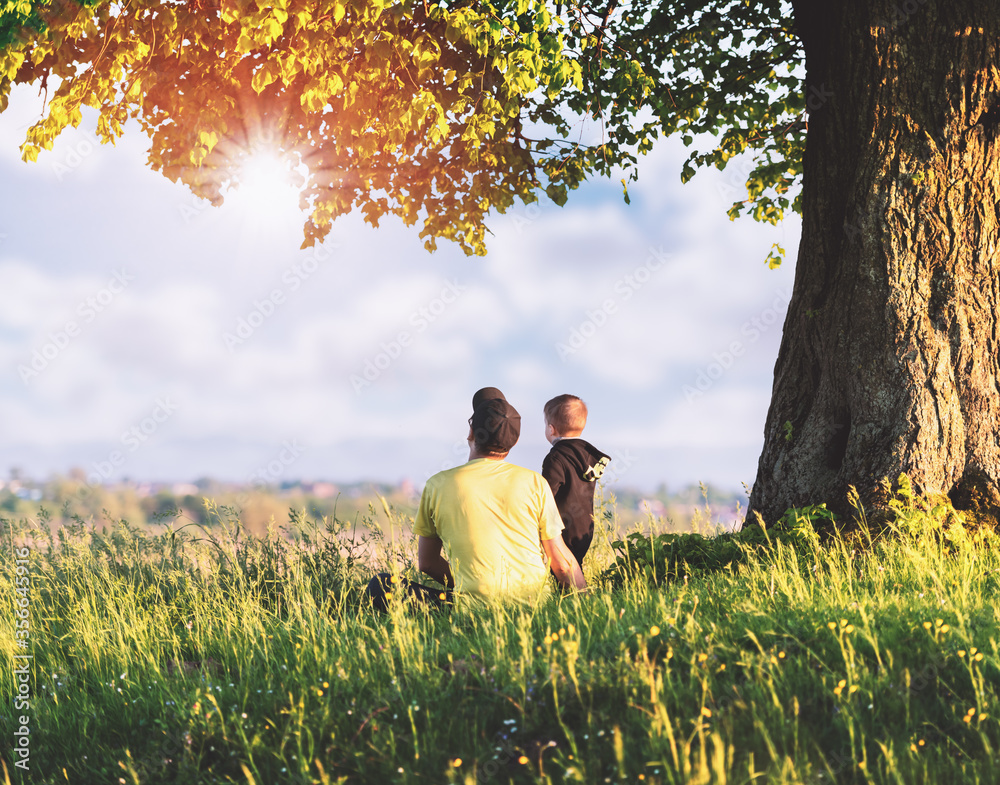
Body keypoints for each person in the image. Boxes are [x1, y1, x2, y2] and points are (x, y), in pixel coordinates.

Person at [366, 387, 586, 611]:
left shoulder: (437, 485)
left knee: (381, 585)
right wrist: (585, 604)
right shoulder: (534, 482)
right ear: (515, 441)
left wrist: (467, 587)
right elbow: (560, 561)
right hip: (534, 605)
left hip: (471, 609)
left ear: (471, 432)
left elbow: (428, 563)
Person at [541, 394, 610, 567]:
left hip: (562, 527)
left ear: (551, 429)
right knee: (575, 565)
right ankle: (580, 592)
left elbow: (546, 493)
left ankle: (573, 593)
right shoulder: (587, 456)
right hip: (585, 526)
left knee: (561, 570)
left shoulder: (556, 457)